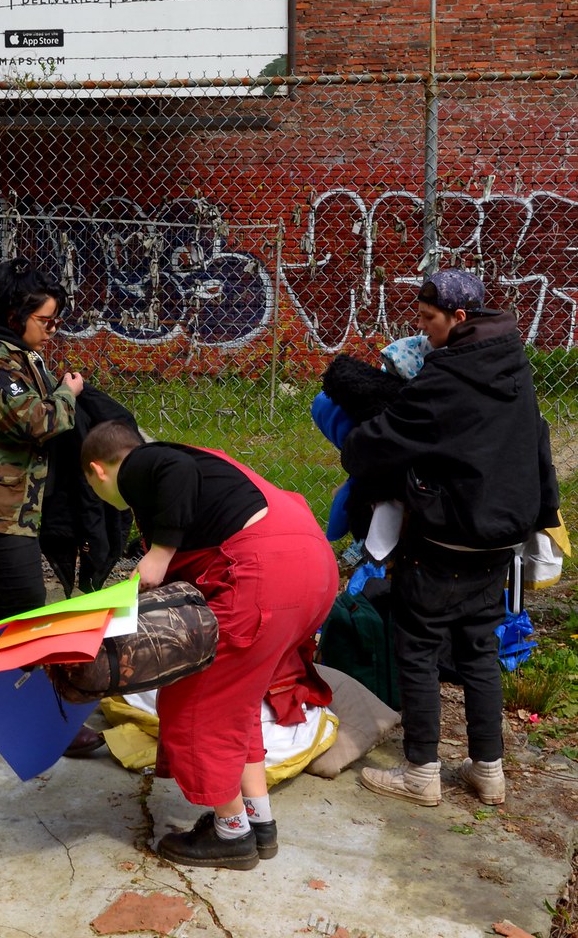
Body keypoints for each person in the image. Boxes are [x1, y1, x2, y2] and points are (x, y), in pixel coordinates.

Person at [340, 269, 560, 807]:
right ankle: (489, 771)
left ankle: (421, 773)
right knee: (479, 649)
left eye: (427, 319)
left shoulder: (447, 377)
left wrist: (357, 442)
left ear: (459, 319)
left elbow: (379, 441)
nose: (421, 329)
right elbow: (539, 442)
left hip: (447, 538)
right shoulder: (513, 365)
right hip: (501, 538)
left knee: (416, 646)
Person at [81, 421, 339, 870]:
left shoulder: (141, 463)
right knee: (236, 702)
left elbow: (173, 469)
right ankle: (258, 822)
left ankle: (230, 834)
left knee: (195, 703)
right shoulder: (209, 469)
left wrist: (159, 553)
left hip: (265, 574)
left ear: (97, 471)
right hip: (312, 572)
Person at [0, 256, 101, 755]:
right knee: (30, 613)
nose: (51, 332)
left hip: (7, 504)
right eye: (45, 321)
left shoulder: (14, 353)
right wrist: (68, 393)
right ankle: (52, 720)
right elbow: (35, 422)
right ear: (16, 315)